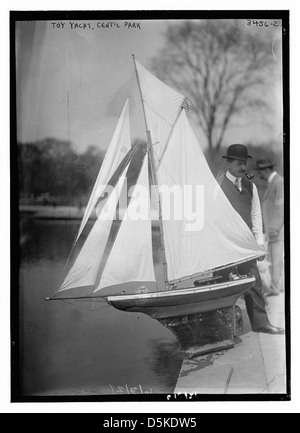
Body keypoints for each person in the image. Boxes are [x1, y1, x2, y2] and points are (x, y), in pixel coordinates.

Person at [218, 144, 284, 335]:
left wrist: (259, 245)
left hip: (246, 246)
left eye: (244, 163)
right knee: (224, 286)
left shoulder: (250, 186)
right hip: (225, 245)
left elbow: (256, 216)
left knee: (255, 284)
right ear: (229, 163)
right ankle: (223, 328)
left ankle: (261, 323)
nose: (243, 167)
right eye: (239, 163)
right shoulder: (217, 186)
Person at [254, 159, 284, 296]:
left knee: (276, 260)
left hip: (276, 231)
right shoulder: (272, 183)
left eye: (260, 171)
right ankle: (276, 286)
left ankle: (275, 287)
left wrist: (276, 227)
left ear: (266, 170)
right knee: (273, 260)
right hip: (272, 230)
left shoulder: (279, 182)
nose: (260, 174)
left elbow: (282, 207)